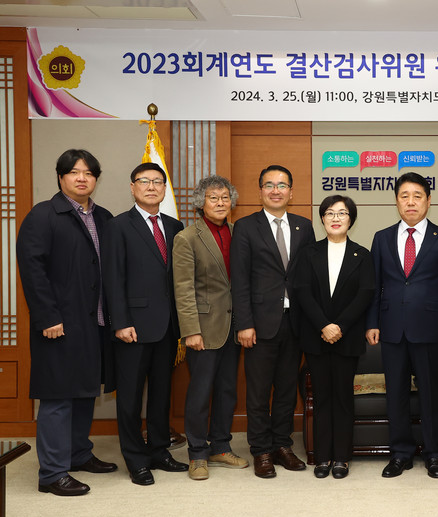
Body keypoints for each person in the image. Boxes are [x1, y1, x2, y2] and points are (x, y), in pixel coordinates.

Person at [17, 149, 118, 496]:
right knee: (58, 396)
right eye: (74, 172)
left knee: (85, 392)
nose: (81, 178)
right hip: (58, 324)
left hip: (95, 322)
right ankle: (52, 473)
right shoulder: (43, 215)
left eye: (88, 173)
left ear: (96, 179)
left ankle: (78, 454)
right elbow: (32, 270)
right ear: (61, 177)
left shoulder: (103, 217)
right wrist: (47, 316)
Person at [366, 171, 438, 479]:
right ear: (396, 201)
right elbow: (374, 286)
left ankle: (434, 454)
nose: (410, 202)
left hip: (431, 328)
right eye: (404, 196)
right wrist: (372, 322)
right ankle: (400, 453)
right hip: (392, 327)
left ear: (428, 200)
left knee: (431, 394)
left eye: (417, 196)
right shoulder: (382, 238)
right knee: (395, 394)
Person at [102, 162, 186, 485]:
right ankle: (136, 459)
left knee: (161, 395)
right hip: (133, 328)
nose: (151, 187)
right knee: (130, 398)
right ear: (133, 187)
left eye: (157, 182)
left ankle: (159, 451)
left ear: (164, 189)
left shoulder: (175, 226)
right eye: (144, 181)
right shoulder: (118, 226)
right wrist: (120, 322)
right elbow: (113, 278)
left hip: (167, 327)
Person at [231, 165, 315, 478]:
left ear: (291, 192)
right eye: (269, 185)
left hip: (295, 323)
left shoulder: (304, 226)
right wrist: (244, 323)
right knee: (258, 392)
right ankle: (261, 450)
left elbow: (308, 276)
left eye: (282, 185)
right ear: (260, 191)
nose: (275, 190)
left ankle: (282, 445)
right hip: (259, 324)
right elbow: (240, 279)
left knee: (286, 390)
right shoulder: (245, 227)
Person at [172, 175, 248, 481]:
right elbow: (183, 289)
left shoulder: (239, 232)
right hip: (202, 328)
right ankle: (197, 453)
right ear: (200, 203)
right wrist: (191, 329)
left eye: (225, 198)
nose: (220, 203)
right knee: (200, 392)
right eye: (213, 198)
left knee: (228, 390)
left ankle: (220, 446)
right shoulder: (187, 237)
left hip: (234, 327)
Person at [294, 195, 375, 479]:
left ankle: (341, 457)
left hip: (347, 337)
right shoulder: (308, 253)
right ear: (322, 219)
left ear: (351, 219)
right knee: (321, 397)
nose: (336, 218)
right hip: (316, 337)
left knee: (342, 398)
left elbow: (365, 293)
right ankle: (322, 457)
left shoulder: (362, 254)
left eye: (342, 213)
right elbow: (302, 291)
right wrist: (323, 325)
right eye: (330, 213)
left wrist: (339, 326)